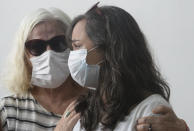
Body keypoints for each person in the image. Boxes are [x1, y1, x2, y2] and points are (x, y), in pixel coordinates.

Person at [55, 3, 189, 131]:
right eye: (71, 48)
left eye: (77, 46)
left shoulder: (151, 112)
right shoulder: (84, 110)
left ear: (108, 49)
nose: (72, 56)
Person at [0, 8, 86, 131]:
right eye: (36, 46)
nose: (49, 53)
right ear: (24, 56)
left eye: (59, 43)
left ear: (73, 47)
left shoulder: (98, 104)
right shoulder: (8, 111)